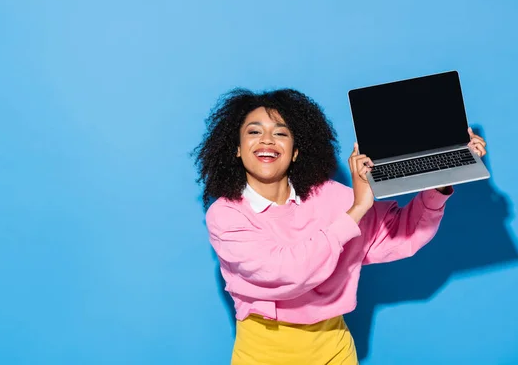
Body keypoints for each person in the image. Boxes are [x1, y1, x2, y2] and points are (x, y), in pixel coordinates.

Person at [193, 88, 487, 365]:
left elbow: (401, 236)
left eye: (281, 133)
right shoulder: (225, 215)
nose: (267, 140)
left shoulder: (332, 197)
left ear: (295, 151)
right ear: (236, 149)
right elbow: (286, 272)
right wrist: (357, 210)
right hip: (264, 351)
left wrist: (445, 175)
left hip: (335, 348)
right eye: (254, 131)